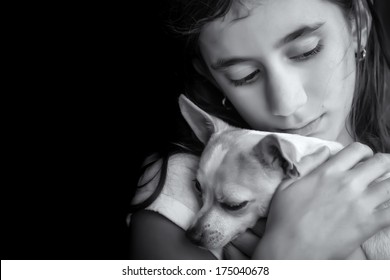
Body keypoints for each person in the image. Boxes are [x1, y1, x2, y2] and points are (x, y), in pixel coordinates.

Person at [128, 0, 390, 259]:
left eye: (306, 51)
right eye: (245, 75)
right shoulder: (179, 190)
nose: (287, 104)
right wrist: (287, 256)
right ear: (212, 78)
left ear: (359, 26)